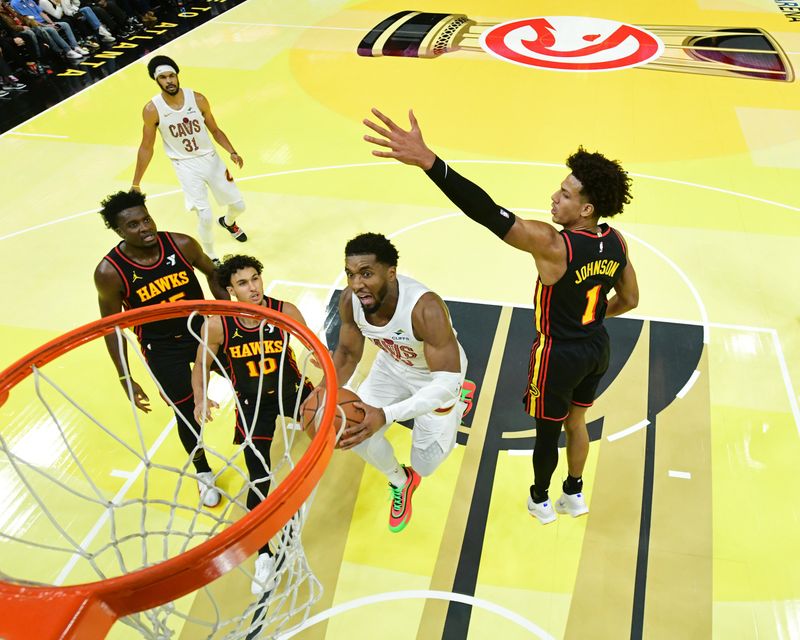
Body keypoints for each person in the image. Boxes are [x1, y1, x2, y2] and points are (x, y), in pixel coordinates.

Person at [362, 108, 640, 525]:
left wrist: (430, 163)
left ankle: (540, 499)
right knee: (577, 421)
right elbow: (631, 299)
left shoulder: (553, 244)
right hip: (597, 347)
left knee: (548, 430)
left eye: (565, 194)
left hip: (558, 354)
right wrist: (593, 320)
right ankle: (574, 492)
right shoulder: (615, 240)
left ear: (585, 209)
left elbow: (488, 212)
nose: (555, 197)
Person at [93, 189, 230, 508]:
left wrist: (227, 316)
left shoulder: (181, 244)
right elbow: (111, 327)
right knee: (186, 413)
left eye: (146, 219)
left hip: (202, 333)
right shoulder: (110, 272)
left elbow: (214, 275)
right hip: (161, 348)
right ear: (119, 231)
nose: (145, 227)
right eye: (133, 225)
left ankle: (292, 409)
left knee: (250, 373)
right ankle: (203, 473)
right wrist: (124, 376)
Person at [192, 254, 315, 594]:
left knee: (335, 428)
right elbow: (201, 362)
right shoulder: (218, 324)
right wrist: (201, 398)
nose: (253, 287)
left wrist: (322, 358)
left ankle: (396, 475)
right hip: (252, 405)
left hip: (291, 390)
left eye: (255, 279)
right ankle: (264, 553)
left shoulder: (284, 310)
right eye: (243, 283)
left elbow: (313, 345)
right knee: (258, 477)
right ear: (230, 289)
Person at [330, 232, 467, 533]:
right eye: (351, 274)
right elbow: (347, 353)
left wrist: (387, 414)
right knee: (355, 432)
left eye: (366, 274)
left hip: (436, 377)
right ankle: (401, 481)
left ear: (390, 273)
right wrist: (325, 394)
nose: (356, 284)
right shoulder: (351, 300)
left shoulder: (424, 308)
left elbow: (444, 381)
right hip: (391, 367)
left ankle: (457, 403)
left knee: (427, 463)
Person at [132, 54, 248, 262]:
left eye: (172, 76)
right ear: (156, 80)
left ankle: (229, 222)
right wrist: (136, 183)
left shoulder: (198, 99)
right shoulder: (152, 110)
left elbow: (215, 129)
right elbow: (146, 147)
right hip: (185, 165)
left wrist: (232, 151)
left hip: (211, 159)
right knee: (204, 215)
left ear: (177, 76)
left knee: (239, 206)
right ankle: (211, 255)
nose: (169, 81)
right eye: (163, 78)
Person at [9, 0, 88, 59]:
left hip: (44, 23)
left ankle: (76, 46)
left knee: (65, 24)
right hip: (34, 26)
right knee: (51, 30)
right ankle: (68, 51)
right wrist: (46, 25)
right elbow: (27, 19)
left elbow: (42, 13)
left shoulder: (30, 0)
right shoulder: (15, 3)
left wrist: (52, 23)